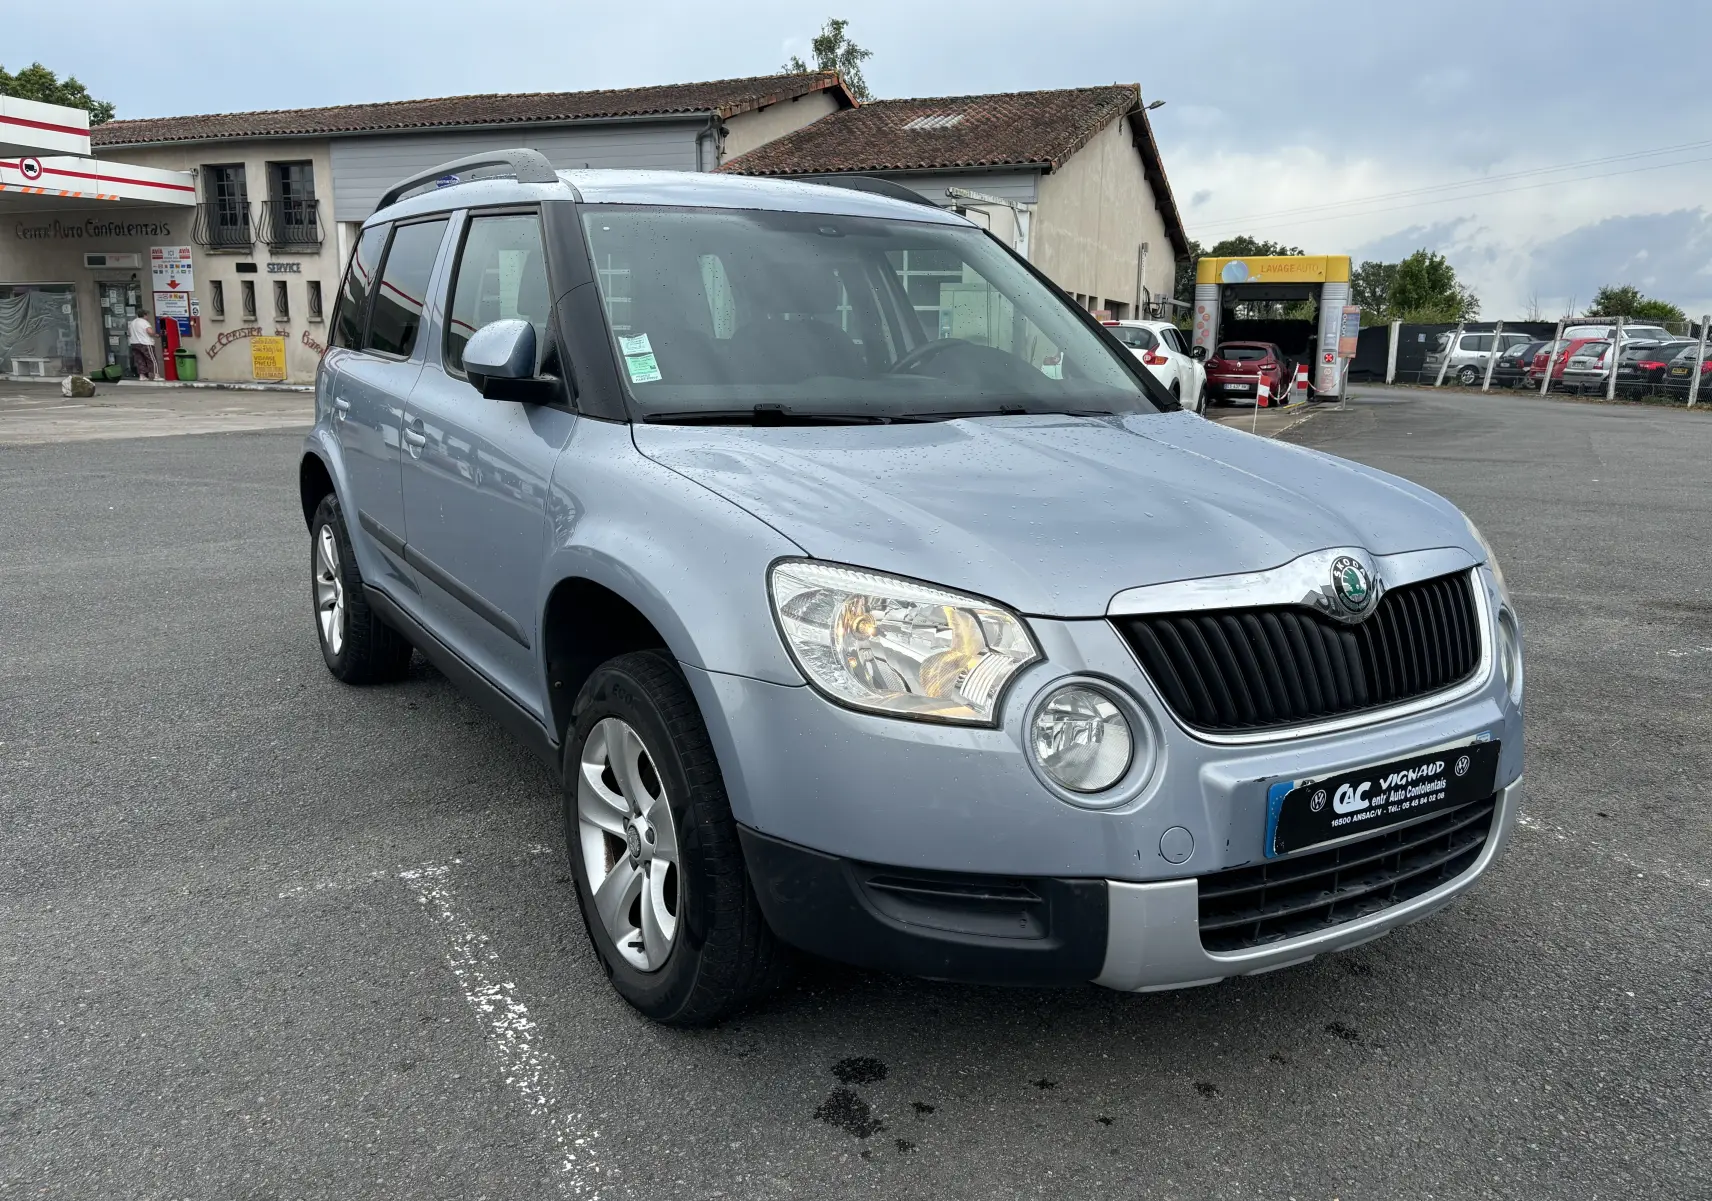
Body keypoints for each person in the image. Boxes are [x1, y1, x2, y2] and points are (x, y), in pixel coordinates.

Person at [127, 308, 158, 380]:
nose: (148, 317)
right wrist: (156, 335)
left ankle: (142, 376)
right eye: (147, 315)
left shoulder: (132, 322)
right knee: (152, 359)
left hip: (134, 343)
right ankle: (156, 375)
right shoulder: (144, 322)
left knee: (139, 360)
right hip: (145, 343)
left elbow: (129, 333)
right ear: (144, 315)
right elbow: (150, 331)